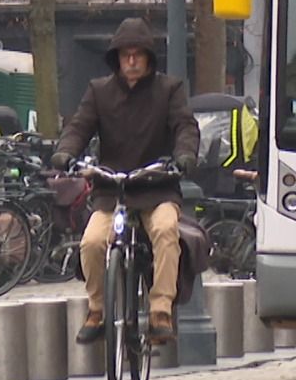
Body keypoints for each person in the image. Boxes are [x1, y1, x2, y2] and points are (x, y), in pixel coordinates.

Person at [51, 17, 199, 345]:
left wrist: (185, 154)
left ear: (148, 57)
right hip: (112, 189)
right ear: (116, 58)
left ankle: (160, 311)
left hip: (157, 186)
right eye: (124, 54)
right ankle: (97, 310)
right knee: (91, 242)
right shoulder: (99, 91)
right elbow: (79, 127)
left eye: (137, 54)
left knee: (164, 230)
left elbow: (184, 126)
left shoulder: (169, 89)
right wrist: (65, 152)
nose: (131, 60)